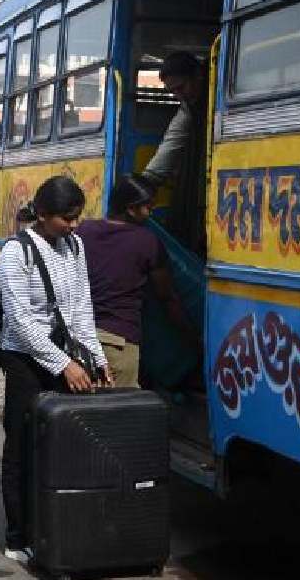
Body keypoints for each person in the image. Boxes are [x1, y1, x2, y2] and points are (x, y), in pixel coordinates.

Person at [0, 175, 111, 564]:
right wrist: (64, 365)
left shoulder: (74, 247)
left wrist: (94, 357)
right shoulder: (15, 252)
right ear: (42, 215)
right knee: (21, 447)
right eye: (67, 219)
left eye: (77, 218)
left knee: (60, 449)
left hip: (64, 360)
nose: (74, 226)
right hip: (23, 361)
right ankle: (18, 533)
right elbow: (21, 321)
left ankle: (53, 527)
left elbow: (81, 308)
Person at [76, 174, 194, 388]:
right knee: (119, 415)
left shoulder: (84, 230)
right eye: (148, 208)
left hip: (78, 337)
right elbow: (166, 296)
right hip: (118, 343)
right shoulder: (147, 241)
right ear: (131, 209)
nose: (150, 213)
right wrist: (191, 335)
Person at [142, 51, 208, 254]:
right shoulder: (189, 107)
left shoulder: (215, 94)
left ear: (198, 74)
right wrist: (145, 182)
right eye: (173, 92)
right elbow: (172, 142)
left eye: (181, 88)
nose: (180, 96)